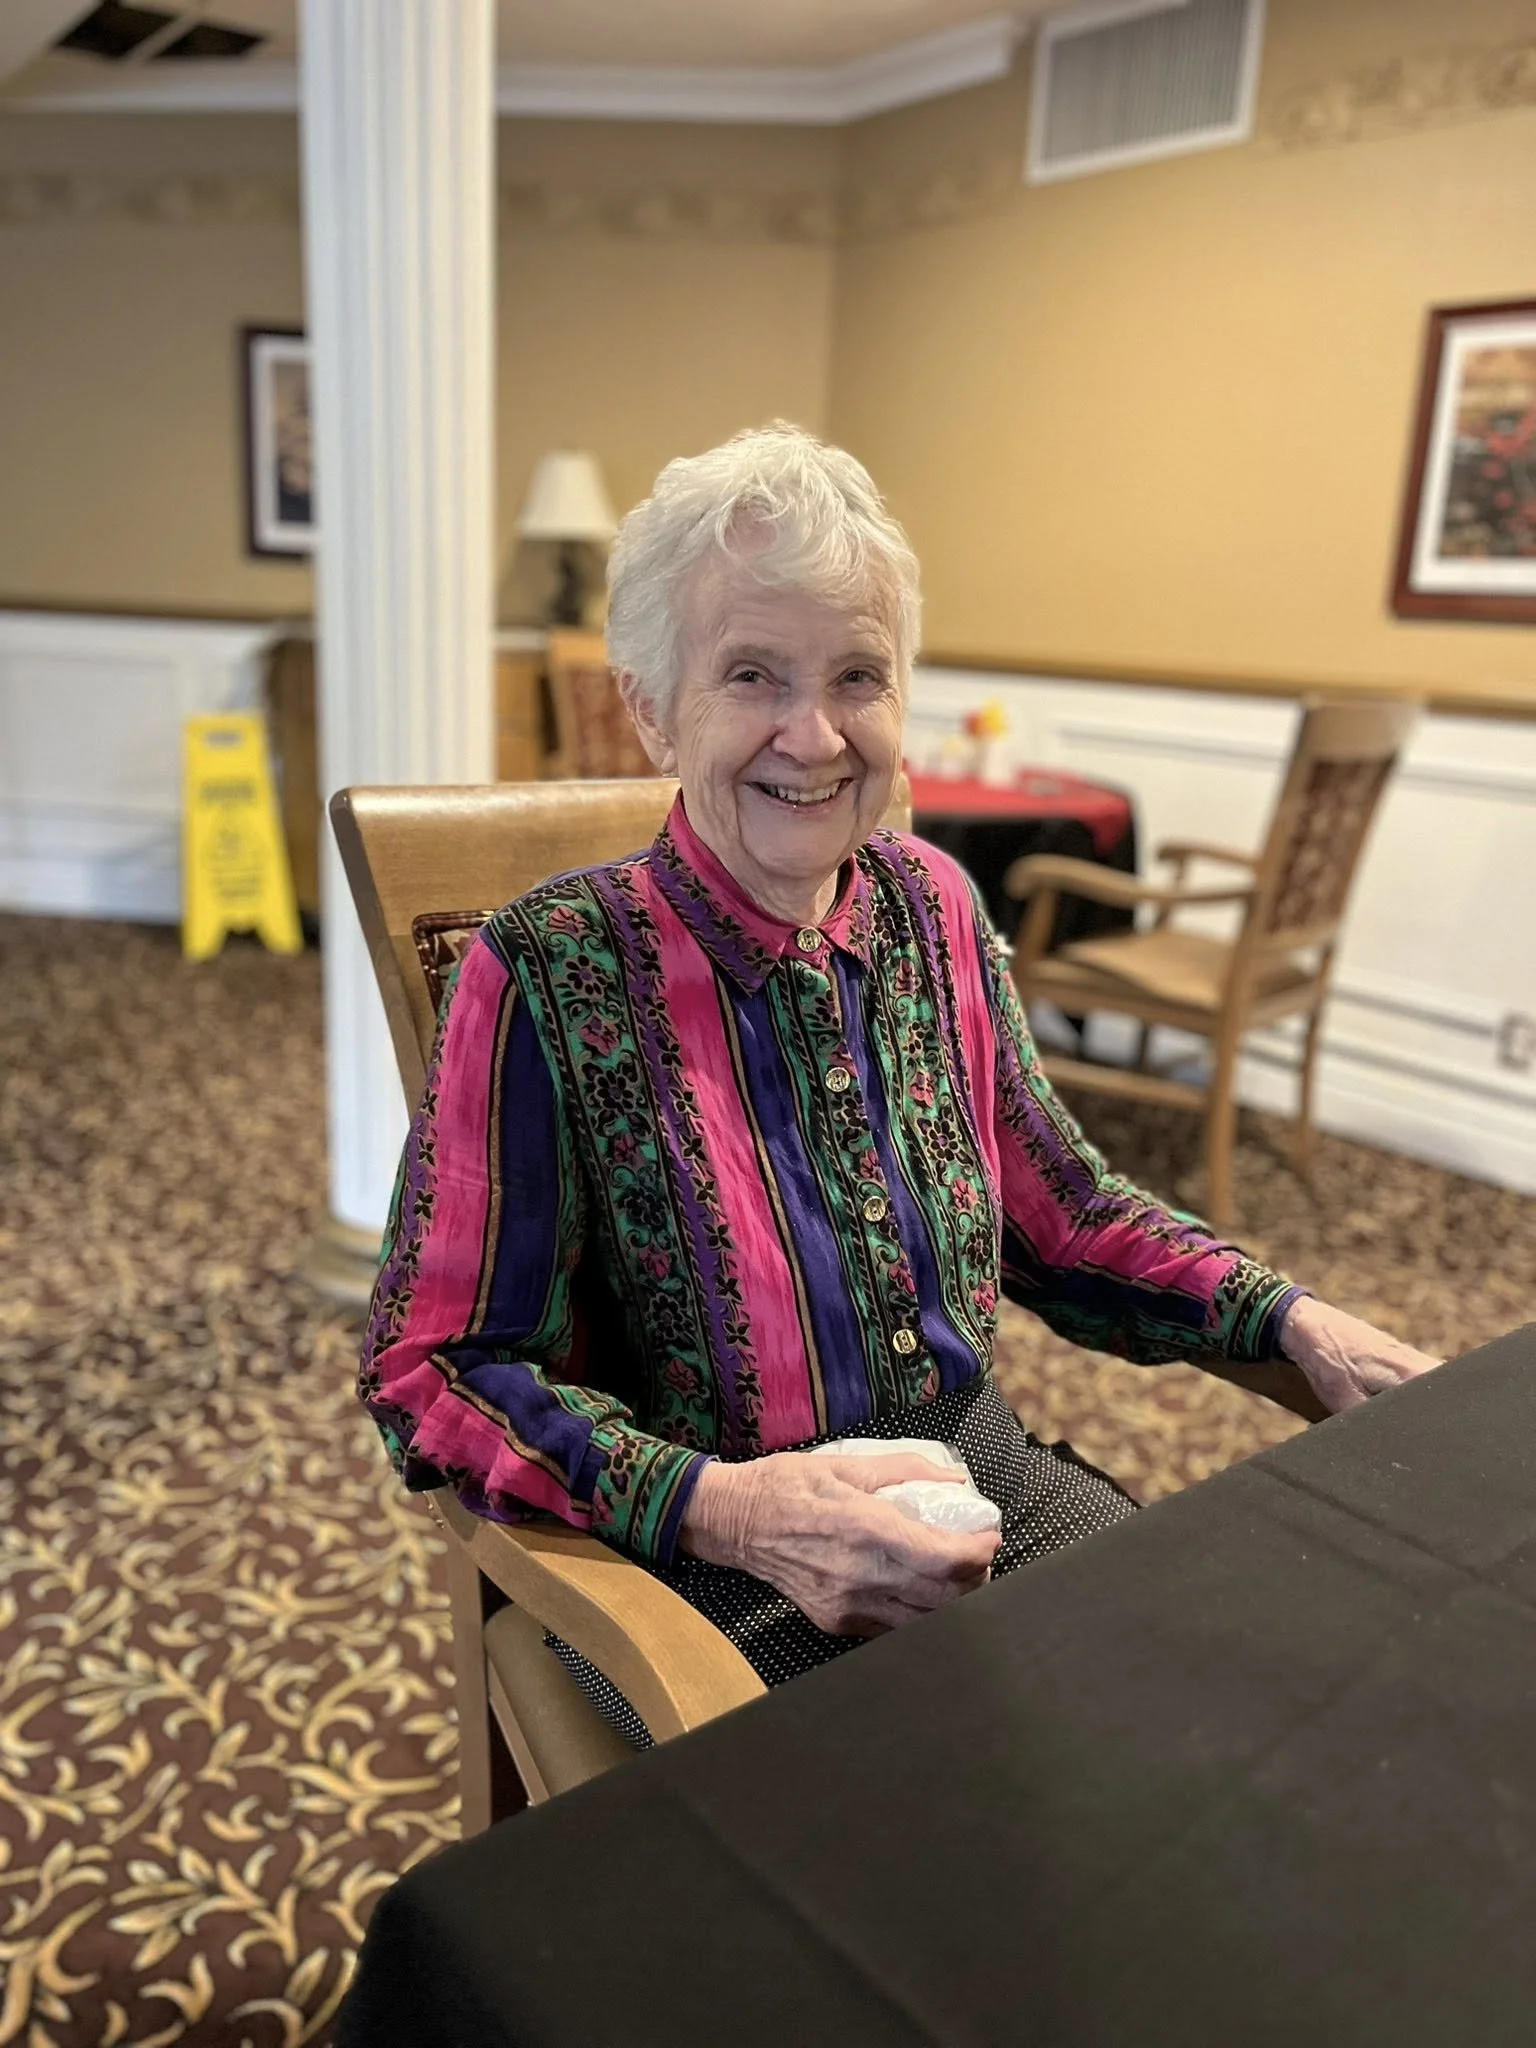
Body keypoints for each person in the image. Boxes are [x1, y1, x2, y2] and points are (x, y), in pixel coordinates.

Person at [359, 424, 1438, 1743]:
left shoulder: (933, 906)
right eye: (751, 674)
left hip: (978, 1487)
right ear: (651, 709)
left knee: (1231, 1740)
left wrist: (1290, 1318)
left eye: (857, 676)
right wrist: (729, 1510)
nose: (813, 735)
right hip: (704, 1564)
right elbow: (433, 1365)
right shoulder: (548, 969)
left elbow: (1063, 1216)